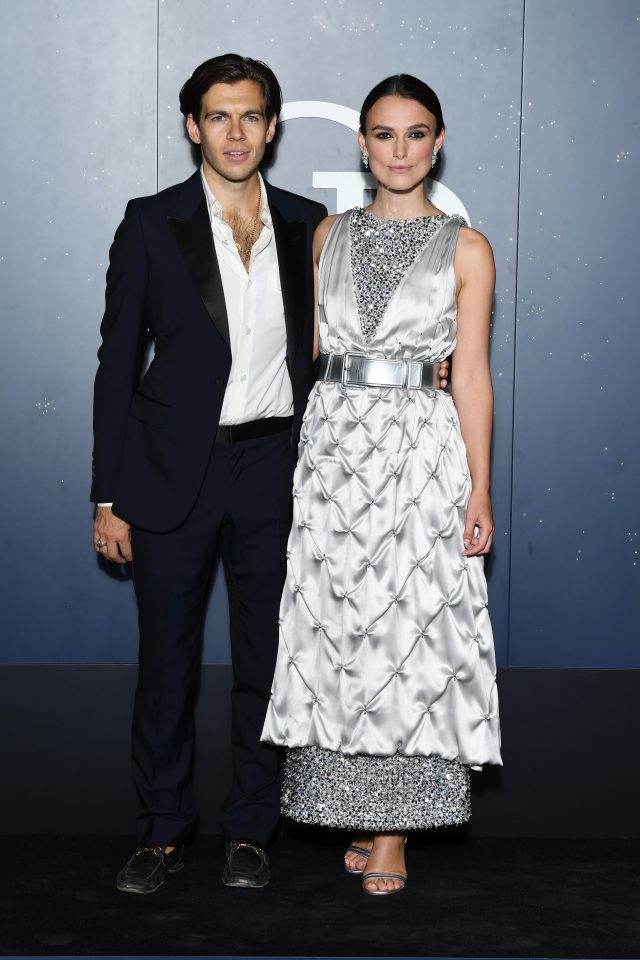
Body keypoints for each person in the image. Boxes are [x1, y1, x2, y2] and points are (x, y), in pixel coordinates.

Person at [90, 53, 330, 893]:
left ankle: (251, 830)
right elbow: (117, 364)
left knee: (267, 660)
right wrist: (109, 493)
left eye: (251, 116)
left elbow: (339, 338)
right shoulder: (151, 222)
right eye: (219, 116)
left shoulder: (309, 223)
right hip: (169, 472)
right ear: (193, 126)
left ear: (272, 126)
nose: (236, 133)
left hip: (274, 465)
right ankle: (161, 832)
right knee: (168, 664)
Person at [262, 74, 502, 895]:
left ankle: (394, 831)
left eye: (416, 133)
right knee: (341, 627)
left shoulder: (468, 247)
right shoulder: (328, 233)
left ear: (438, 143)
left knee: (410, 632)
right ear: (362, 145)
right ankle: (359, 812)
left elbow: (472, 375)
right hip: (334, 447)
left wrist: (479, 488)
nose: (400, 150)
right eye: (385, 134)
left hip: (419, 448)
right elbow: (305, 349)